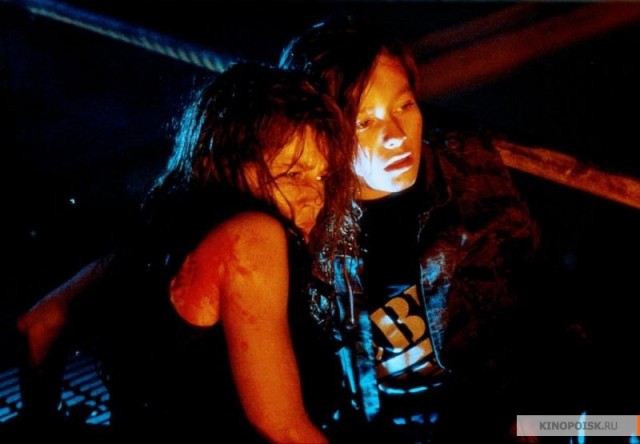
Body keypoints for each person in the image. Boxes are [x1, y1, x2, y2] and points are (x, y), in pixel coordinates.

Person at [17, 61, 356, 441]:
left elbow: (39, 324)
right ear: (222, 164)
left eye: (321, 176)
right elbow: (283, 427)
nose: (314, 196)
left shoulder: (152, 242)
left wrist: (39, 423)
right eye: (292, 174)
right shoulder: (252, 236)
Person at [278, 16, 539, 443]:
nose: (396, 136)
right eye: (365, 122)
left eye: (404, 106)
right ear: (320, 133)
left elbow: (534, 300)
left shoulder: (467, 175)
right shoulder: (307, 220)